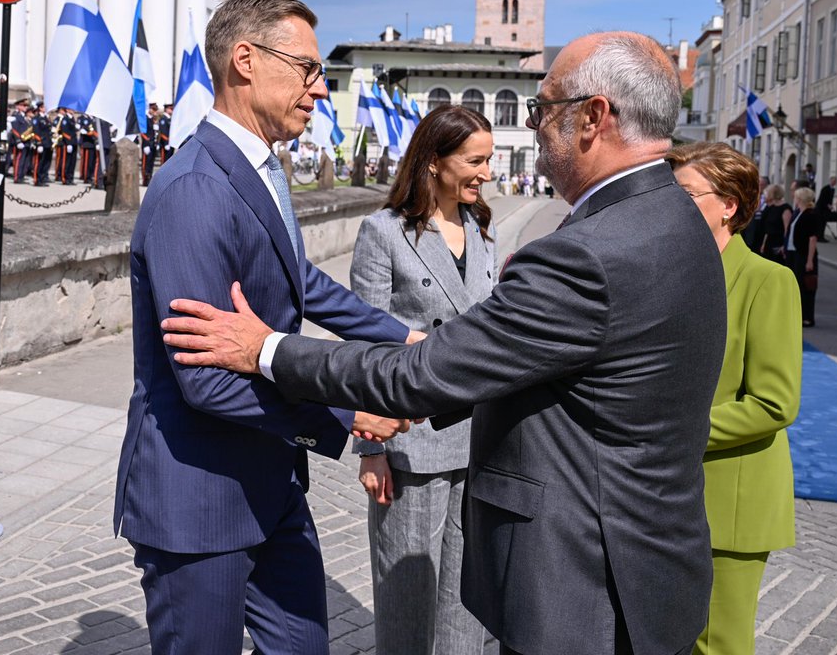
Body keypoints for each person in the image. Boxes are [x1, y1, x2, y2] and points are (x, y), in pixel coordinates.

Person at [162, 32, 729, 655]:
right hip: (648, 560)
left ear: (594, 118)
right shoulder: (678, 217)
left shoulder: (587, 254)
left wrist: (266, 350)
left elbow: (422, 374)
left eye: (543, 110)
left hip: (585, 579)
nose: (535, 128)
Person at [114, 0, 417, 654]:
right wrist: (349, 415)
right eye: (307, 69)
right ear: (245, 61)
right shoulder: (196, 189)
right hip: (200, 497)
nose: (320, 89)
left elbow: (297, 280)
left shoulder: (257, 169)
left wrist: (402, 339)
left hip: (270, 479)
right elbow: (206, 382)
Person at [353, 105, 495, 655]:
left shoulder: (482, 227)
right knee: (407, 595)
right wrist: (370, 448)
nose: (486, 173)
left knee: (466, 598)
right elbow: (364, 349)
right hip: (411, 442)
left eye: (489, 160)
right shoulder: (383, 232)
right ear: (434, 162)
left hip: (479, 438)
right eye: (475, 160)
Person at [666, 142, 801, 655]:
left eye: (685, 195)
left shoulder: (769, 281)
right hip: (668, 493)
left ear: (728, 204)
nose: (672, 208)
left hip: (732, 502)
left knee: (715, 644)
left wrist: (674, 431)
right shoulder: (673, 274)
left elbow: (774, 403)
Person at [786, 187, 821, 326]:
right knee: (795, 285)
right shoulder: (797, 212)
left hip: (804, 254)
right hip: (793, 253)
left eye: (796, 196)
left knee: (805, 286)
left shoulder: (810, 214)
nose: (794, 198)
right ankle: (796, 315)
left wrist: (809, 260)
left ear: (800, 198)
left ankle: (808, 317)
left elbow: (812, 238)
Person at [757, 184, 791, 264]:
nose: (765, 195)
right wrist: (763, 244)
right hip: (769, 243)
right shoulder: (771, 207)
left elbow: (787, 229)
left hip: (778, 244)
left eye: (767, 193)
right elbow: (767, 228)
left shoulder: (785, 208)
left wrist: (784, 246)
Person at [815, 176, 837, 242]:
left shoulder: (833, 189)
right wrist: (828, 205)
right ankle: (819, 237)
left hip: (826, 209)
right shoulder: (825, 188)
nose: (834, 182)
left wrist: (830, 206)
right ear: (830, 181)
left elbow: (830, 199)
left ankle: (821, 236)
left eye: (835, 181)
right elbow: (822, 199)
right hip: (821, 208)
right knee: (820, 223)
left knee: (823, 223)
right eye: (833, 181)